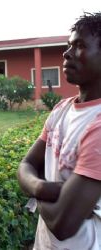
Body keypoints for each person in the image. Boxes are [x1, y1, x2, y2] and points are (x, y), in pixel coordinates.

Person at [17, 12, 101, 250]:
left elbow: (63, 223)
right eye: (68, 45)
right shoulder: (62, 109)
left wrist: (34, 191)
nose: (66, 53)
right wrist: (44, 188)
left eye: (80, 45)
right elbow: (25, 166)